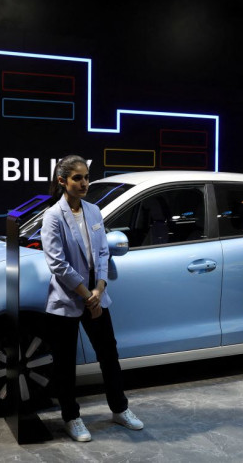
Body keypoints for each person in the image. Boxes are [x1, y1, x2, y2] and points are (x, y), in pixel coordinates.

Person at [40, 155, 143, 442]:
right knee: (64, 363)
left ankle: (120, 409)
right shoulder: (52, 217)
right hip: (67, 299)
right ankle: (71, 417)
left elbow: (101, 253)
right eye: (77, 178)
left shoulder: (94, 211)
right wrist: (87, 296)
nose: (84, 182)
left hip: (96, 295)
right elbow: (57, 264)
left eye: (86, 176)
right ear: (62, 181)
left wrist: (98, 289)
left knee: (109, 355)